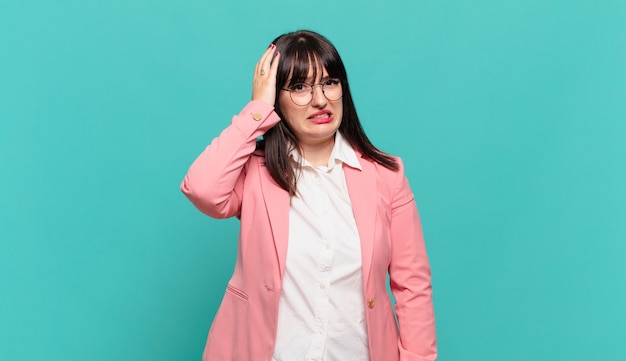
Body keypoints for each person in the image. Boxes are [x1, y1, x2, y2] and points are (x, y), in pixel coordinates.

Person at [181, 30, 437, 361]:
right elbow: (202, 189)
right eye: (300, 87)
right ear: (277, 96)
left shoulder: (387, 176)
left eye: (330, 83)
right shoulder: (254, 173)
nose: (320, 100)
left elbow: (413, 286)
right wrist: (257, 110)